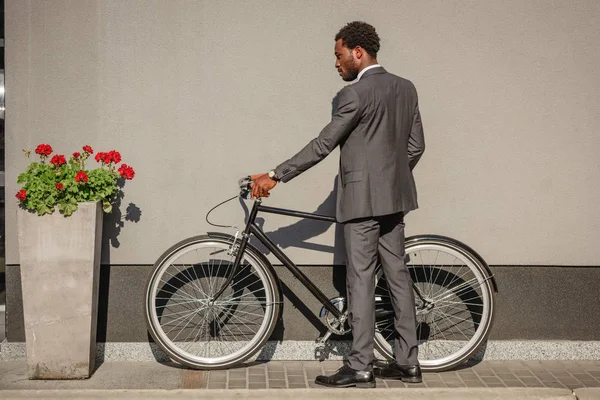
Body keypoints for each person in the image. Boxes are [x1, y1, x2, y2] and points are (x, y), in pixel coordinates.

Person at [250, 21, 425, 389]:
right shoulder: (406, 88)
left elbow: (322, 144)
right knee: (396, 276)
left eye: (339, 54)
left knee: (360, 280)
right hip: (395, 202)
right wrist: (390, 179)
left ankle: (361, 365)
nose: (336, 63)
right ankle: (408, 362)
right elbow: (415, 147)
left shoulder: (354, 95)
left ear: (358, 52)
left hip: (362, 204)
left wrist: (275, 174)